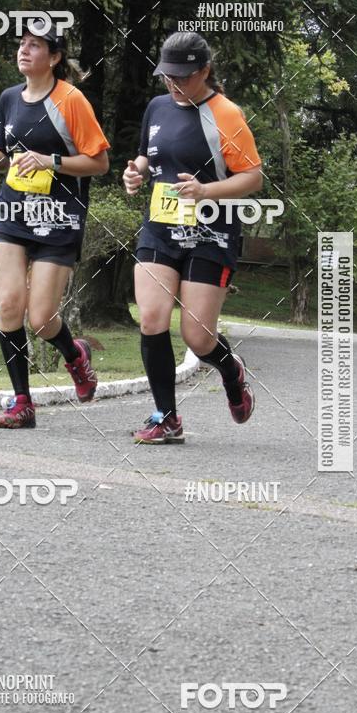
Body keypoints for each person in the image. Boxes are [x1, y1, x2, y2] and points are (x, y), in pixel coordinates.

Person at [0, 20, 110, 428]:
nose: (24, 51)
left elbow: (99, 162)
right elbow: (5, 155)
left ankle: (75, 355)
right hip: (12, 213)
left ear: (55, 57)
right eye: (22, 44)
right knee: (9, 306)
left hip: (59, 217)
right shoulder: (9, 98)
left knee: (41, 317)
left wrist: (52, 161)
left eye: (35, 46)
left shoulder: (71, 100)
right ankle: (22, 402)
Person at [123, 31, 262, 444]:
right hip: (161, 228)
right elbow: (150, 157)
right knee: (151, 318)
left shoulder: (226, 114)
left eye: (183, 75)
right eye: (168, 74)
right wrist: (136, 173)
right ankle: (166, 417)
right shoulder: (157, 107)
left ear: (205, 70)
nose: (173, 83)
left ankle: (230, 370)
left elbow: (252, 176)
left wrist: (206, 191)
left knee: (198, 337)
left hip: (211, 234)